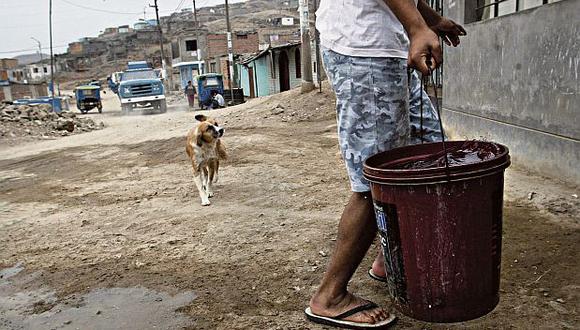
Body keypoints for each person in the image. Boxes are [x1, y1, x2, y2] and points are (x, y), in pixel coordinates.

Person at [305, 0, 466, 328]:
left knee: (427, 153)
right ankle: (330, 296)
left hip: (390, 47)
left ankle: (389, 260)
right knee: (377, 178)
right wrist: (417, 27)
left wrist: (431, 20)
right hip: (365, 49)